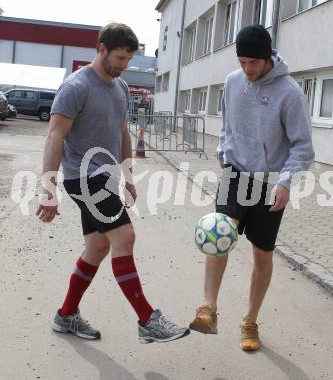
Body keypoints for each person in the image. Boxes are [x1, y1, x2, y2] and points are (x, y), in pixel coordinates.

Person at [36, 22, 189, 344]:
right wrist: (49, 190)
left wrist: (129, 178)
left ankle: (66, 315)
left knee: (98, 246)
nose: (124, 65)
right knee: (125, 236)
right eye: (119, 57)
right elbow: (54, 137)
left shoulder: (120, 88)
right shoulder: (76, 87)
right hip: (84, 177)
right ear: (101, 49)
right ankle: (148, 320)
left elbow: (122, 133)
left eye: (128, 59)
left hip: (105, 177)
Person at [189, 24, 314, 351]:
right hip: (235, 173)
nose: (246, 69)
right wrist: (222, 152)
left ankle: (250, 320)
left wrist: (286, 183)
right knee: (219, 234)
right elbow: (227, 124)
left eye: (252, 63)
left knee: (262, 254)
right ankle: (209, 309)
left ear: (268, 58)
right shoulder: (233, 82)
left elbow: (303, 147)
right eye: (242, 62)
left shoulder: (289, 93)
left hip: (271, 183)